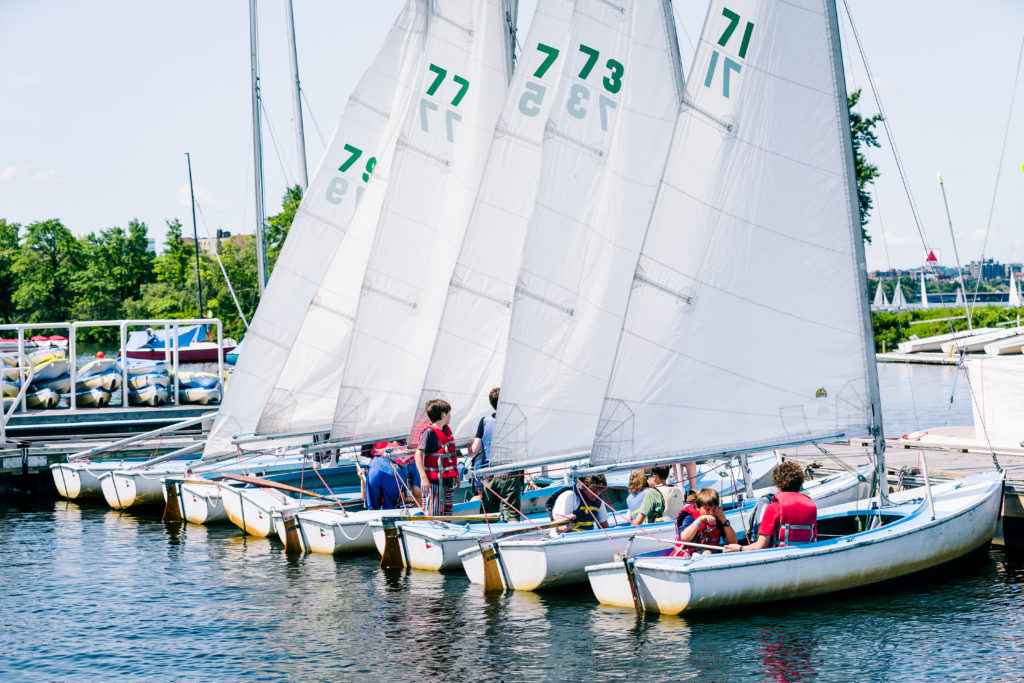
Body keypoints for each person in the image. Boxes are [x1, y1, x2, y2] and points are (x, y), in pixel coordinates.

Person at [734, 460, 817, 552]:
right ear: (800, 484)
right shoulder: (811, 506)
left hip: (780, 555)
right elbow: (814, 538)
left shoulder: (773, 508)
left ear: (778, 485)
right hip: (805, 552)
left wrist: (740, 548)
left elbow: (761, 545)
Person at [415, 398, 460, 516]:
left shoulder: (446, 431)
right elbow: (418, 454)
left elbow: (450, 456)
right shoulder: (429, 433)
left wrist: (456, 475)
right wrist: (423, 477)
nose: (450, 416)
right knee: (434, 514)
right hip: (434, 483)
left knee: (447, 513)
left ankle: (446, 532)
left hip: (447, 480)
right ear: (443, 414)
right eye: (449, 413)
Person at [672, 488, 738, 556]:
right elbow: (685, 538)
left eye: (714, 508)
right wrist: (700, 520)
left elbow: (733, 542)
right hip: (688, 556)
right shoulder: (689, 517)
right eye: (707, 509)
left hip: (711, 553)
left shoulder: (718, 517)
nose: (711, 513)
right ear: (697, 507)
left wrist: (724, 520)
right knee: (707, 553)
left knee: (733, 549)